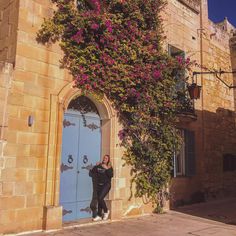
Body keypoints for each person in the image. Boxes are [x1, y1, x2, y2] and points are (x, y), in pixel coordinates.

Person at [89, 154, 113, 221]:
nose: (105, 159)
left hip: (106, 185)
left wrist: (107, 168)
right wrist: (96, 166)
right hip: (99, 185)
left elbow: (111, 175)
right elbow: (92, 171)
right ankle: (99, 215)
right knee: (100, 199)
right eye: (104, 158)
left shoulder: (109, 167)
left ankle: (106, 211)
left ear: (108, 160)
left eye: (106, 158)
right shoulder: (99, 165)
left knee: (100, 198)